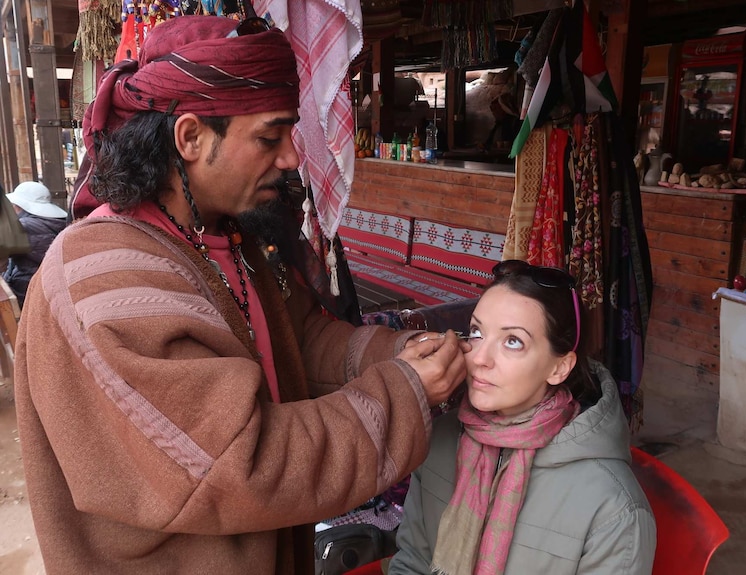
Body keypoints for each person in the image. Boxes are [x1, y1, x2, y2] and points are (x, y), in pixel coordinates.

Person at [14, 15, 467, 574]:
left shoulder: (226, 234)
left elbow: (297, 338)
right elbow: (239, 462)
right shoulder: (109, 279)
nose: (290, 159)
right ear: (191, 138)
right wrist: (404, 393)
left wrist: (394, 356)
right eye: (268, 137)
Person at [389, 260, 656, 575]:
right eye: (476, 332)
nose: (480, 359)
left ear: (559, 367)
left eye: (512, 341)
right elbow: (412, 563)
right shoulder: (440, 441)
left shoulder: (613, 508)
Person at [2, 181, 67, 305]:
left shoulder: (24, 226)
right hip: (52, 288)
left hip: (27, 290)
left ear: (18, 206)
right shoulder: (59, 222)